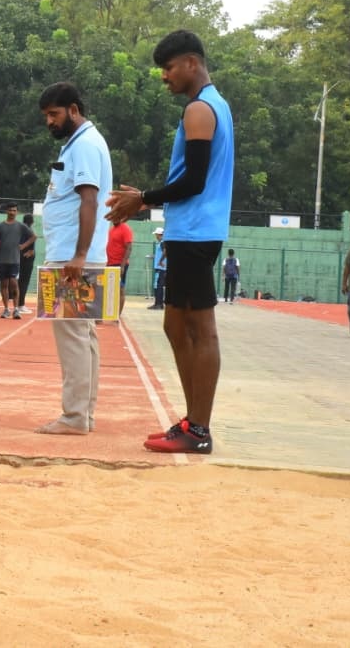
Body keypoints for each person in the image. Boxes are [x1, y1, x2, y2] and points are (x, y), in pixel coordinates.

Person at [106, 30, 235, 455]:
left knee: (200, 328)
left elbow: (194, 180)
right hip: (189, 232)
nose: (165, 77)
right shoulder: (213, 106)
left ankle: (199, 429)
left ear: (192, 63)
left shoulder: (200, 110)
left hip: (196, 232)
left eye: (169, 68)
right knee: (175, 324)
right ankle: (192, 420)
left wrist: (142, 198)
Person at [33, 83, 113, 437]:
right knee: (83, 334)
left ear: (74, 110)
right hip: (74, 252)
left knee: (73, 337)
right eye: (46, 116)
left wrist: (79, 255)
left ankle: (75, 416)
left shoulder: (83, 146)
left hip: (72, 256)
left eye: (54, 114)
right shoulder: (81, 143)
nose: (49, 122)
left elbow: (89, 200)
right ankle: (85, 414)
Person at [0, 203, 26, 319]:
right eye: (10, 210)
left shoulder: (20, 226)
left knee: (14, 284)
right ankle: (6, 309)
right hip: (1, 261)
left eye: (14, 210)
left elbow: (33, 236)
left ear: (17, 212)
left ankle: (16, 309)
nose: (12, 212)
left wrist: (23, 246)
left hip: (15, 260)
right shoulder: (0, 226)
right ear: (7, 211)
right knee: (4, 285)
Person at [106, 219, 134, 314]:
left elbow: (129, 247)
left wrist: (122, 266)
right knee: (108, 289)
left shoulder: (125, 229)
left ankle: (118, 315)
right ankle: (109, 313)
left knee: (120, 289)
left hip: (119, 264)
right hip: (109, 264)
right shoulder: (111, 230)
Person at [17, 213, 37, 313]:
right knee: (23, 282)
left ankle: (19, 304)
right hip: (26, 258)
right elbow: (33, 239)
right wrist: (26, 249)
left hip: (20, 257)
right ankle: (20, 305)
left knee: (20, 281)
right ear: (32, 221)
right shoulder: (28, 230)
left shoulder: (20, 229)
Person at [149, 228, 166, 309]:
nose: (156, 236)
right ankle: (157, 303)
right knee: (157, 286)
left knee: (158, 286)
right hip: (160, 268)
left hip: (161, 268)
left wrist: (160, 261)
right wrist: (154, 256)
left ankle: (159, 304)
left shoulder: (163, 243)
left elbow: (165, 252)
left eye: (156, 234)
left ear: (160, 235)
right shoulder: (161, 243)